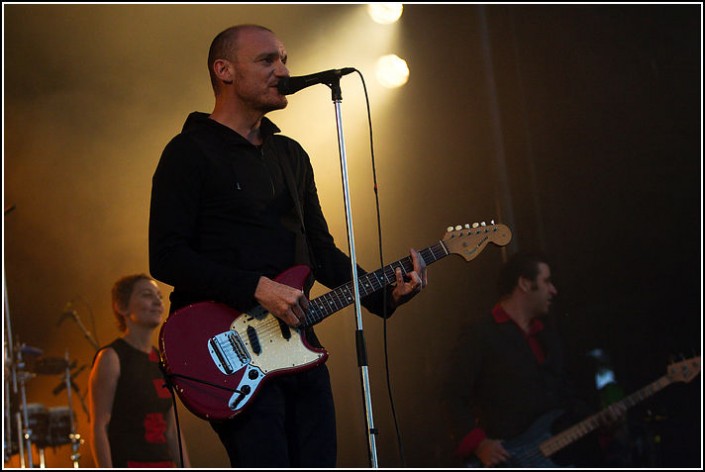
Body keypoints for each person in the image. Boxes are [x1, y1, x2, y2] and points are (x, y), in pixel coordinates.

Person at [148, 24, 427, 468]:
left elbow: (320, 251)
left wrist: (382, 293)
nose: (283, 70)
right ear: (224, 71)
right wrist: (255, 288)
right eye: (267, 60)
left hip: (297, 346)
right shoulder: (188, 153)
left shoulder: (290, 154)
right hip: (226, 348)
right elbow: (166, 256)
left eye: (284, 59)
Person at [443, 252, 624, 468]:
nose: (553, 290)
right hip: (508, 457)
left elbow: (564, 399)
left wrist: (601, 423)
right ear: (525, 284)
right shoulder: (480, 334)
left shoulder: (546, 337)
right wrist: (479, 444)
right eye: (546, 281)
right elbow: (451, 393)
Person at [88, 274, 190, 468]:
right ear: (121, 306)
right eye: (146, 295)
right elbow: (100, 426)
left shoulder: (162, 359)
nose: (157, 301)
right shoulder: (112, 357)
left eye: (159, 296)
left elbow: (172, 430)